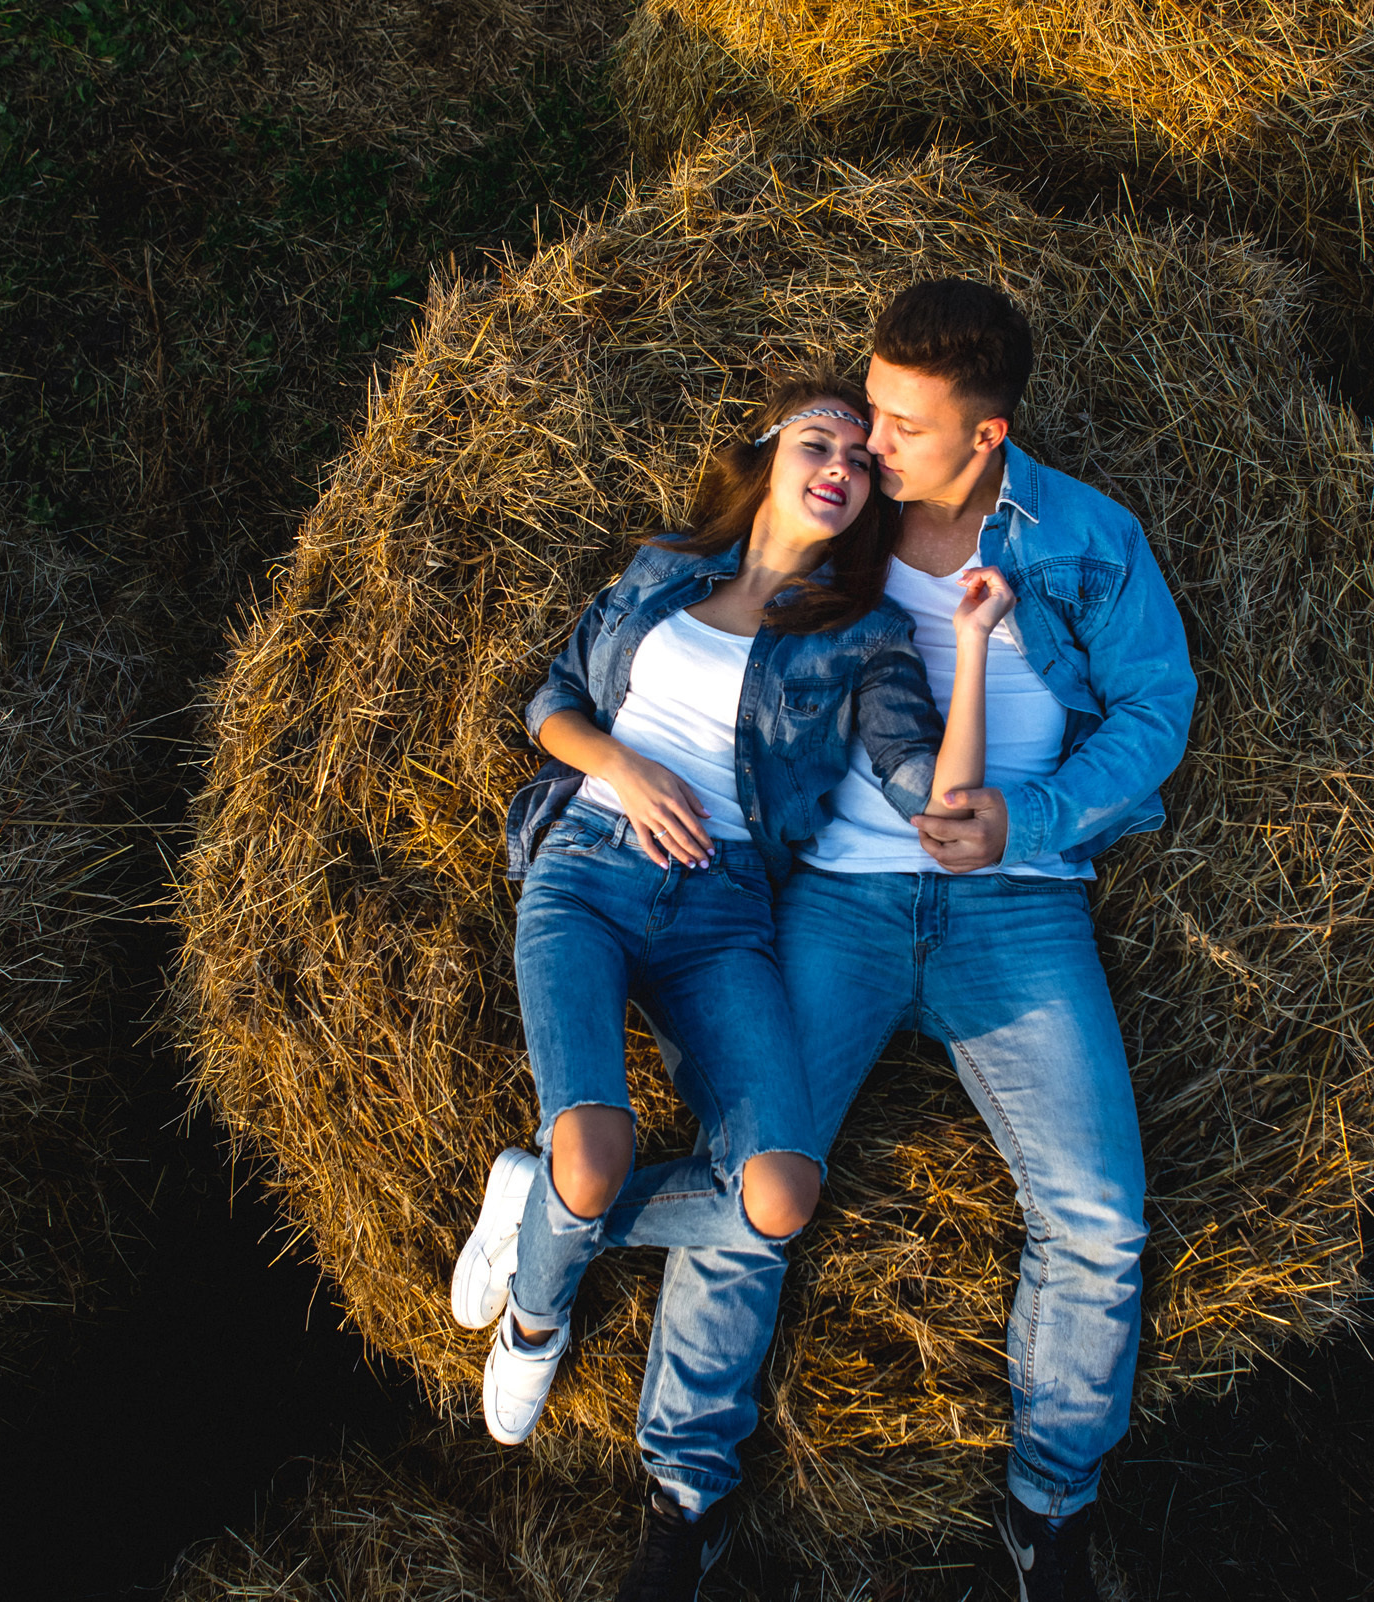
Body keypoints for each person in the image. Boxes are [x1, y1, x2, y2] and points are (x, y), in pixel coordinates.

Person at [631, 281, 1197, 1602]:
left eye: (902, 424)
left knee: (1100, 1217)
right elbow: (693, 594)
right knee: (751, 1178)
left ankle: (1050, 1509)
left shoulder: (1087, 538)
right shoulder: (840, 515)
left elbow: (1154, 706)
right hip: (838, 898)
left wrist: (1029, 818)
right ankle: (683, 1494)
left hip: (1021, 902)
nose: (868, 442)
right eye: (868, 408)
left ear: (988, 435)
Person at [450, 372, 1020, 1599]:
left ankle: (542, 1204)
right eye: (820, 442)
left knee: (776, 1196)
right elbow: (552, 700)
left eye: (861, 461)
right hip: (590, 868)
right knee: (596, 1150)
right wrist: (624, 766)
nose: (843, 466)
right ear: (766, 457)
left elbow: (928, 784)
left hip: (723, 918)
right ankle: (538, 1317)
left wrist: (972, 647)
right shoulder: (664, 570)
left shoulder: (864, 635)